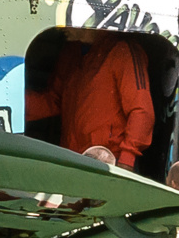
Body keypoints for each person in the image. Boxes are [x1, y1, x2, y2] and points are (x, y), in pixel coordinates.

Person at [29, 31, 155, 171]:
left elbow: (142, 111)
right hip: (72, 160)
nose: (60, 26)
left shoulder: (122, 50)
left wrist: (126, 161)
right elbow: (53, 101)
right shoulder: (70, 52)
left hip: (111, 163)